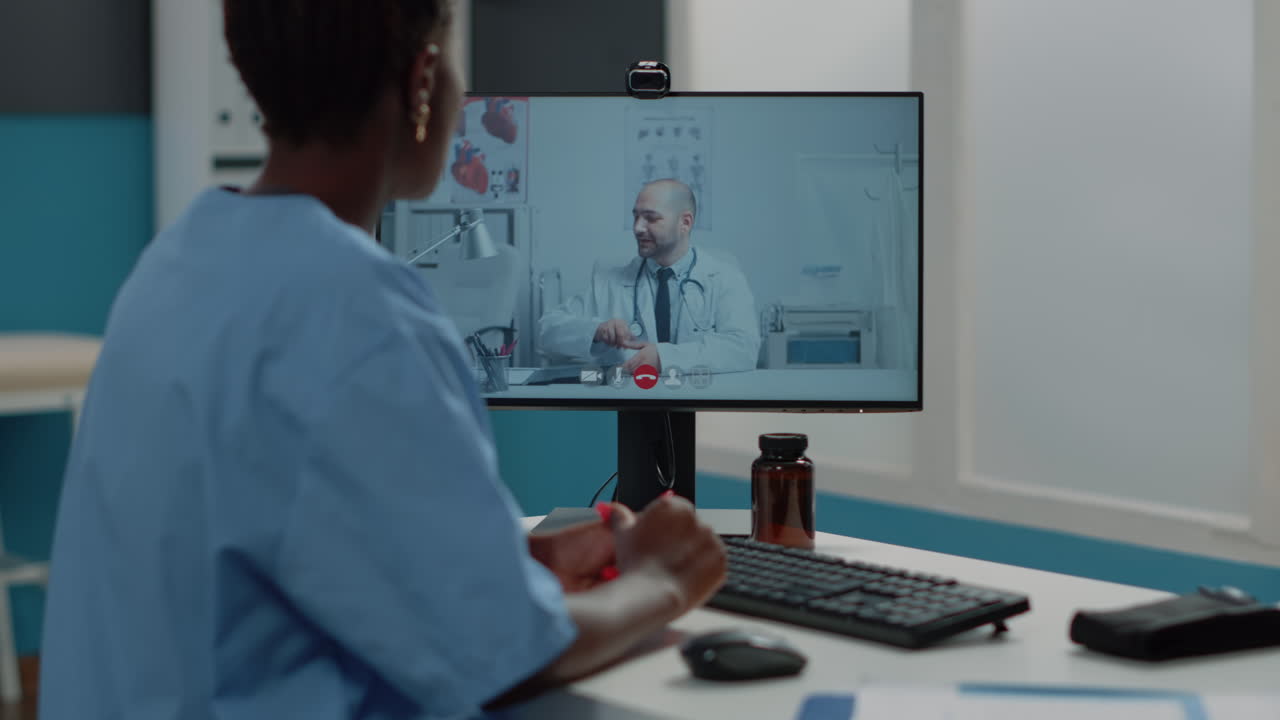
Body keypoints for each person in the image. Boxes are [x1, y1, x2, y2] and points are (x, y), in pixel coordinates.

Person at [38, 3, 726, 719]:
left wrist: (514, 569)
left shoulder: (177, 264)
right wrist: (665, 579)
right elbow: (504, 661)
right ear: (422, 78)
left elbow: (273, 544)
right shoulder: (356, 314)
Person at [538, 179, 760, 375]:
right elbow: (546, 331)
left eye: (651, 219)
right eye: (636, 217)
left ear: (685, 223)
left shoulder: (724, 276)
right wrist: (596, 331)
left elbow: (744, 348)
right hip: (631, 400)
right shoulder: (610, 279)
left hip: (701, 402)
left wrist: (664, 357)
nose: (637, 228)